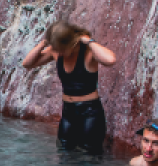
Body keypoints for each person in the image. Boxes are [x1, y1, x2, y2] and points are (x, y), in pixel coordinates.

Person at [22, 20, 116, 154]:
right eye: (56, 49)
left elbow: (110, 60)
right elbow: (27, 63)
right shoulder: (56, 51)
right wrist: (44, 42)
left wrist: (88, 40)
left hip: (90, 113)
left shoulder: (88, 52)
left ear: (71, 43)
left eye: (60, 49)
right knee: (63, 152)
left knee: (89, 156)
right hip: (68, 113)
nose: (58, 52)